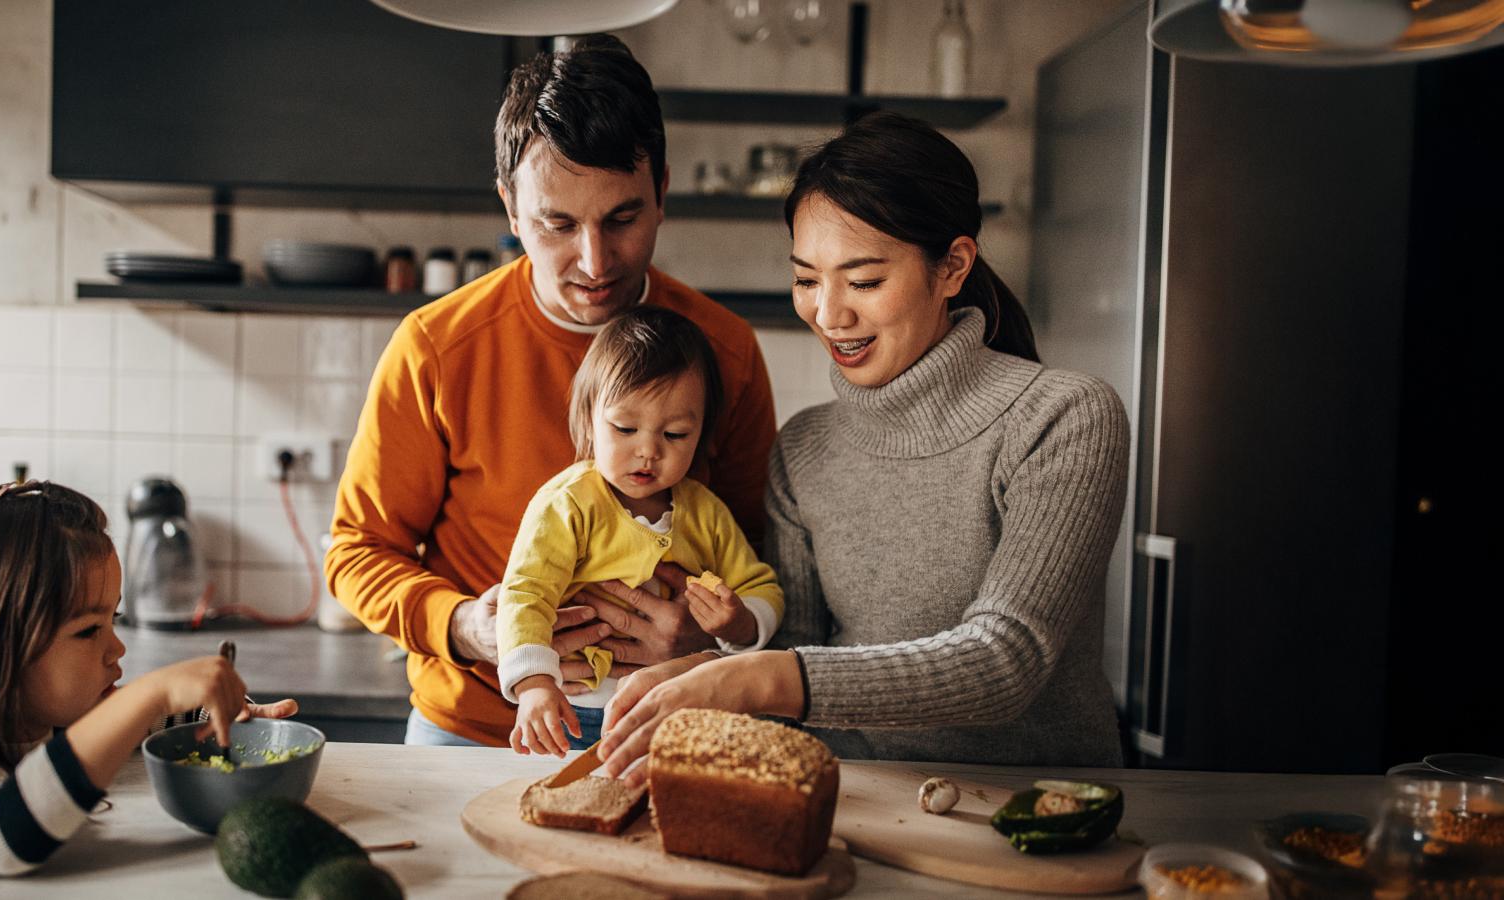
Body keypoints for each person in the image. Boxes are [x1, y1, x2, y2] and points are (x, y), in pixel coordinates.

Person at [596, 111, 1131, 784]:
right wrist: (710, 670)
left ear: (953, 267)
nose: (829, 313)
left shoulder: (1063, 417)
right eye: (807, 278)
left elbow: (1005, 661)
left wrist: (758, 676)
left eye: (865, 280)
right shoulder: (806, 447)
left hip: (1039, 813)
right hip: (858, 803)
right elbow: (799, 657)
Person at [324, 35, 778, 749]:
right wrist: (465, 626)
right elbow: (356, 551)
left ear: (661, 192)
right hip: (471, 730)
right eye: (557, 224)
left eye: (622, 219)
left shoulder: (728, 352)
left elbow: (757, 548)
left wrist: (711, 634)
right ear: (510, 207)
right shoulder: (435, 347)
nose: (595, 262)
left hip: (666, 725)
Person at [0, 482, 297, 892]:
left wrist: (216, 710)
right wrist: (152, 691)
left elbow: (147, 721)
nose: (116, 648)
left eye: (114, 618)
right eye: (89, 629)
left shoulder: (52, 722)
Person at [497, 307, 782, 757]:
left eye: (675, 434)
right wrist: (534, 684)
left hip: (676, 710)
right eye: (625, 428)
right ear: (590, 418)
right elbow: (525, 593)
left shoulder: (705, 511)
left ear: (702, 433)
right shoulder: (568, 503)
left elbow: (760, 585)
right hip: (578, 711)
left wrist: (741, 622)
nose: (648, 451)